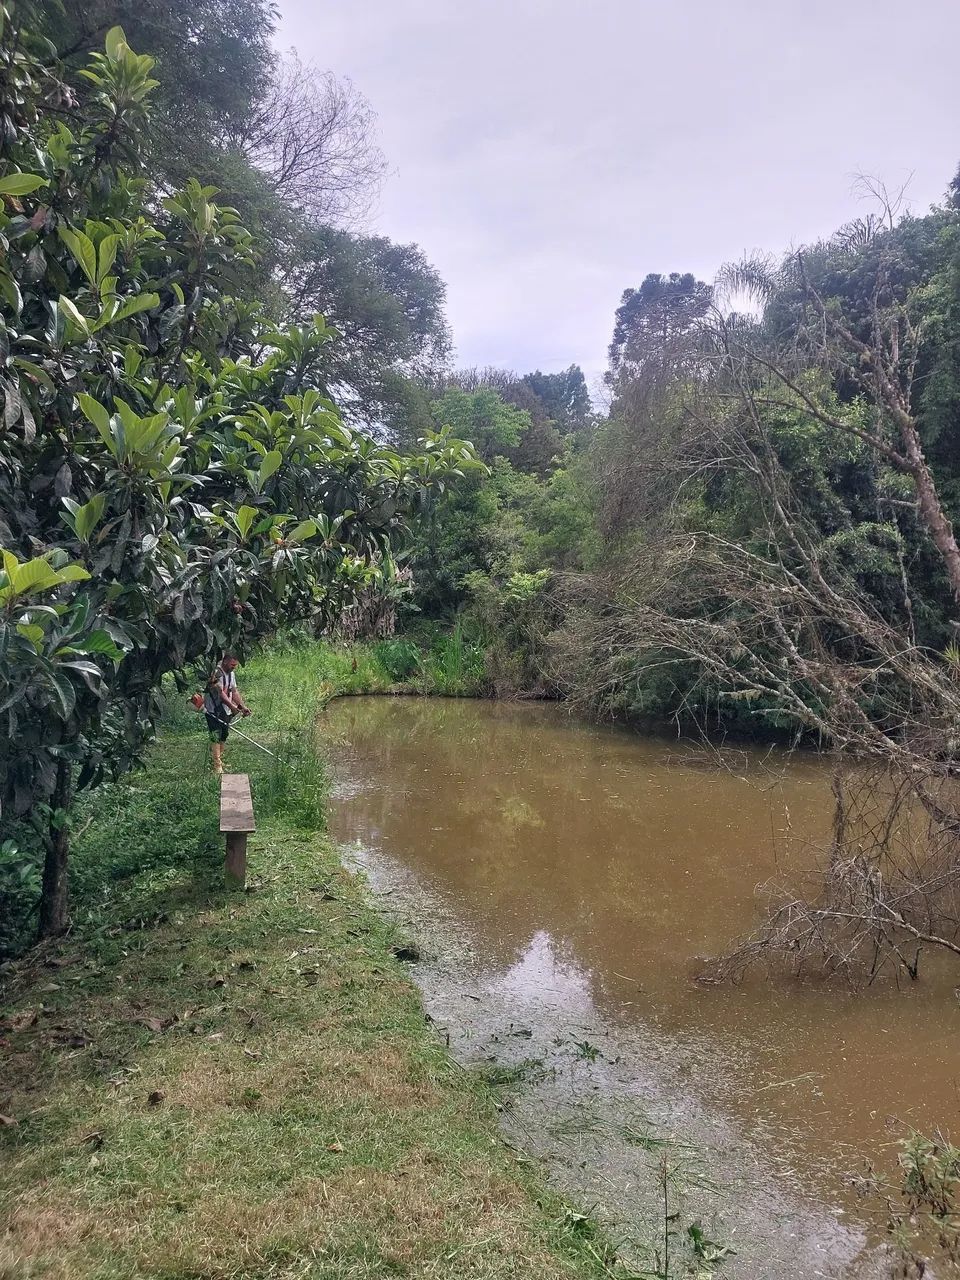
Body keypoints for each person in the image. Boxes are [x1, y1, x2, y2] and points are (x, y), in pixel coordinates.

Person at [203, 654, 250, 774]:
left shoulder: (231, 674)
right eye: (232, 664)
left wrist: (242, 707)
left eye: (235, 665)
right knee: (215, 735)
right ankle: (216, 764)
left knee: (224, 734)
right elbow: (220, 694)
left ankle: (219, 759)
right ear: (225, 662)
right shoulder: (216, 673)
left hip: (226, 710)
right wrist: (232, 706)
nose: (234, 667)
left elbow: (233, 691)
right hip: (213, 710)